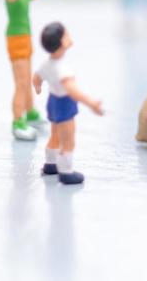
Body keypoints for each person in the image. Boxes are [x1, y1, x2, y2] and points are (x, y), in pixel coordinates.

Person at [1, 0, 68, 140]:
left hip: (25, 40)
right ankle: (17, 122)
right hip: (16, 42)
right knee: (21, 84)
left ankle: (30, 112)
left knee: (26, 79)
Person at [32, 22, 104, 185]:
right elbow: (72, 90)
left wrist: (38, 87)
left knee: (55, 134)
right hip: (64, 103)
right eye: (67, 34)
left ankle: (51, 164)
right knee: (68, 139)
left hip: (52, 102)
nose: (70, 37)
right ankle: (65, 171)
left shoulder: (47, 63)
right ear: (63, 42)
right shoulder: (62, 67)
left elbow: (36, 77)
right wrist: (92, 103)